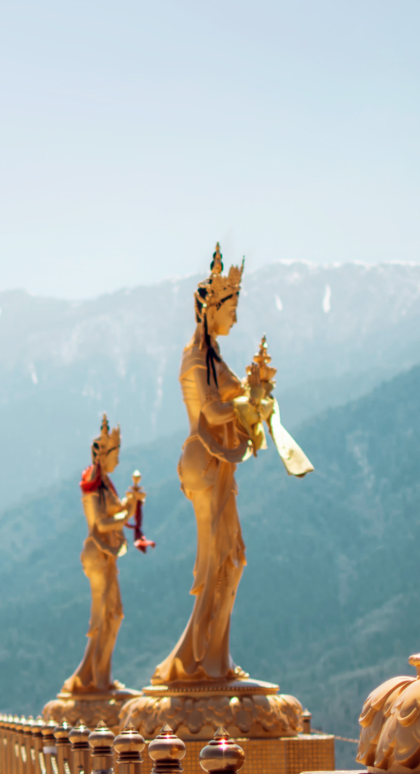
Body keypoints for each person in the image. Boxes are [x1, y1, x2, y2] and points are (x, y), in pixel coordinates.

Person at [153, 245, 252, 684]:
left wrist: (256, 394)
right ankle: (197, 660)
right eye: (232, 308)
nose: (235, 318)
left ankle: (216, 656)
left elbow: (236, 392)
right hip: (204, 460)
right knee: (217, 557)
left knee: (233, 557)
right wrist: (250, 407)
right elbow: (213, 410)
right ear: (213, 308)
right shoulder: (196, 357)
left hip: (218, 461)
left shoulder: (213, 356)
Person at [62, 415, 143, 693]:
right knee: (105, 613)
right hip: (97, 553)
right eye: (115, 455)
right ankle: (96, 678)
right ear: (104, 455)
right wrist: (124, 517)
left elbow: (116, 512)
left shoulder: (106, 485)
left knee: (114, 613)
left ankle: (99, 675)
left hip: (106, 553)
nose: (118, 462)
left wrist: (129, 505)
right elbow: (99, 524)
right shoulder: (93, 486)